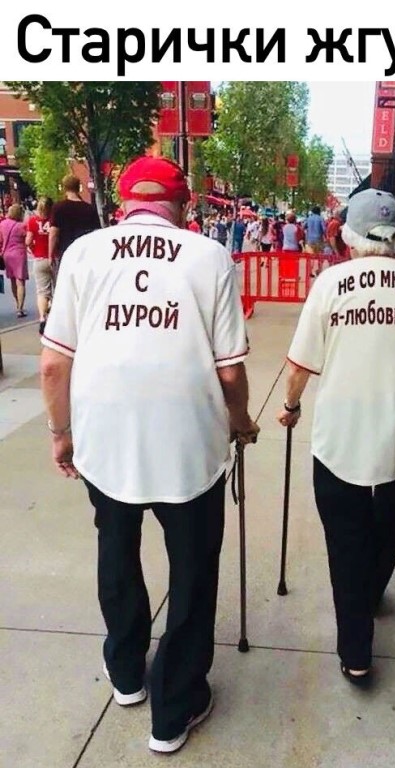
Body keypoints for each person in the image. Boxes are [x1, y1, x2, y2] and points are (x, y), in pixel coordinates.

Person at [40, 156, 259, 755]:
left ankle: (127, 671)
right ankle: (175, 704)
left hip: (105, 439)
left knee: (116, 548)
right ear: (182, 205)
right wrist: (241, 423)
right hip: (189, 444)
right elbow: (231, 371)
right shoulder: (208, 256)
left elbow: (54, 363)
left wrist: (61, 433)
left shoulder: (83, 254)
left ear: (124, 202)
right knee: (192, 569)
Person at [277, 188, 395, 685]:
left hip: (341, 430)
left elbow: (298, 366)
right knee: (389, 516)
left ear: (348, 237)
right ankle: (373, 590)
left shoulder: (331, 283)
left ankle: (357, 651)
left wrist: (290, 407)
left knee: (346, 537)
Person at [49, 174, 101, 271]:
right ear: (78, 187)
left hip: (66, 252)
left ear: (64, 188)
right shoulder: (89, 209)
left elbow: (54, 234)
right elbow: (97, 233)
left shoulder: (58, 208)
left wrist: (50, 255)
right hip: (86, 253)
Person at [26, 197, 54, 334]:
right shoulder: (54, 220)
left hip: (39, 258)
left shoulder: (32, 221)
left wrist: (33, 249)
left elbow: (28, 241)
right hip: (54, 258)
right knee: (57, 287)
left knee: (42, 291)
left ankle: (42, 318)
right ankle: (55, 314)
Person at [0, 203, 29, 318]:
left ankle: (17, 303)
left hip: (7, 255)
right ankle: (20, 308)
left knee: (12, 280)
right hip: (19, 254)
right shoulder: (22, 226)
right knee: (20, 282)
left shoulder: (2, 224)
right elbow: (27, 240)